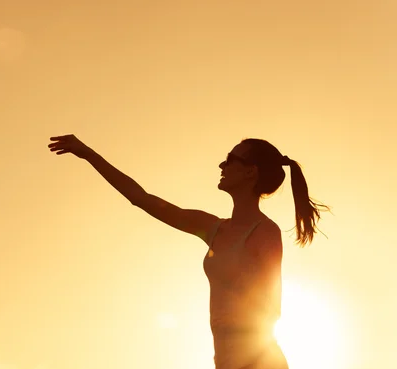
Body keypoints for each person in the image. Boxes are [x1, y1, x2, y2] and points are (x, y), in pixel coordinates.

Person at [48, 134, 329, 369]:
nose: (222, 164)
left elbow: (270, 310)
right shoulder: (213, 228)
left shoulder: (264, 233)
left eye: (231, 158)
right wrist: (87, 153)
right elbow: (141, 199)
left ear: (250, 172)